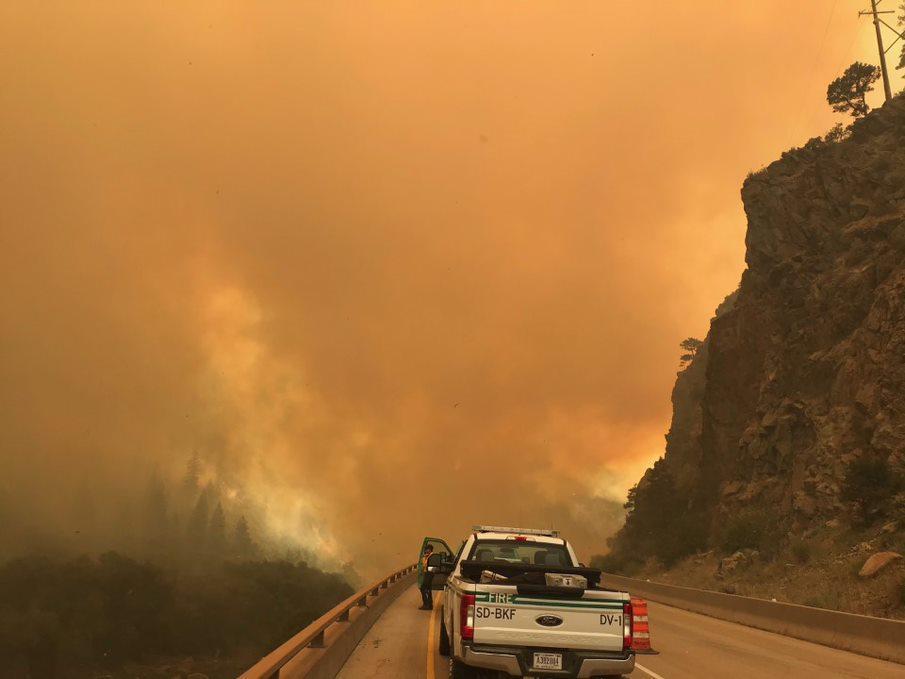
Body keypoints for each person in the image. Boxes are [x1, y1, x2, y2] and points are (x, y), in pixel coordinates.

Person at [419, 544, 434, 609]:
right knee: (428, 589)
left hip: (429, 574)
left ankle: (426, 604)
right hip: (427, 574)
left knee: (423, 588)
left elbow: (427, 566)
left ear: (430, 550)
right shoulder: (427, 556)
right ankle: (429, 604)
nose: (426, 551)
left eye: (427, 549)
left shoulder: (431, 557)